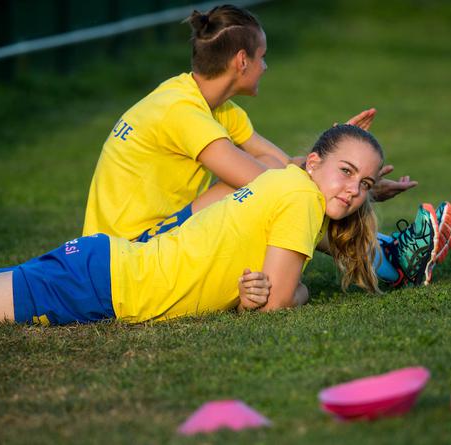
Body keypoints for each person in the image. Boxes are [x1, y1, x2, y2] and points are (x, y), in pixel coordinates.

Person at [80, 4, 432, 288]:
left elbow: (282, 165)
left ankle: (385, 253)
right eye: (262, 56)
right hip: (125, 255)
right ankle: (390, 261)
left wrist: (344, 171)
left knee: (293, 191)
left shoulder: (212, 107)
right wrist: (340, 177)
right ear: (241, 61)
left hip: (153, 239)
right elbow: (266, 184)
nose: (266, 66)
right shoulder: (182, 113)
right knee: (256, 192)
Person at [0, 125, 424, 326]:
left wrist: (254, 295)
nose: (354, 190)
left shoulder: (288, 183)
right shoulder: (302, 196)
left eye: (364, 184)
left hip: (104, 268)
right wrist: (296, 292)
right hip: (108, 282)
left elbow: (260, 299)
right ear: (314, 162)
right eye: (346, 172)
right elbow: (278, 304)